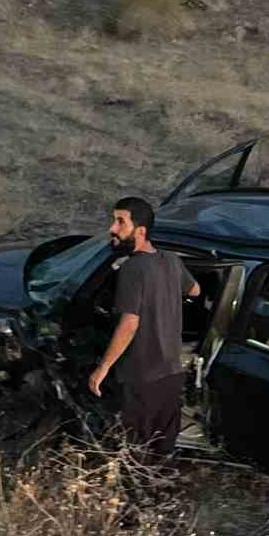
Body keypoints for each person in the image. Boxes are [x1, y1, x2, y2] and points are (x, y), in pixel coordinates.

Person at [87, 196, 200, 457]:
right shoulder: (171, 260)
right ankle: (160, 494)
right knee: (163, 451)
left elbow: (129, 322)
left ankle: (137, 496)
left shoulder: (132, 268)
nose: (112, 228)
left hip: (141, 377)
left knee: (136, 451)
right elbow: (195, 290)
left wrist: (103, 367)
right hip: (171, 374)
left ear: (140, 231)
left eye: (120, 222)